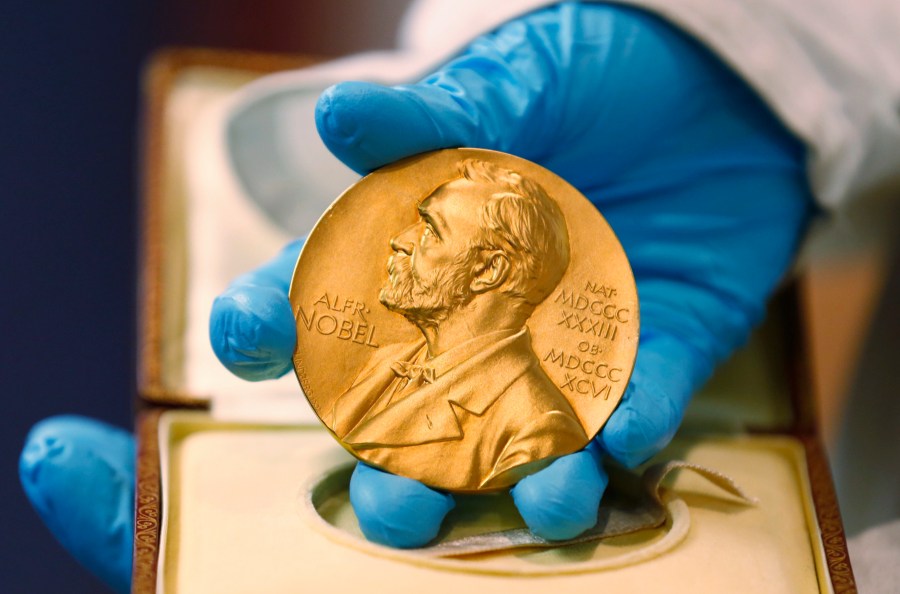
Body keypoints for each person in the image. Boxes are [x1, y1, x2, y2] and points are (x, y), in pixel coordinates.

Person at [18, 1, 900, 592]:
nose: (395, 235)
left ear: (486, 272)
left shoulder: (529, 420)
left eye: (429, 229)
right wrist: (758, 42)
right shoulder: (385, 383)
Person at [330, 158, 586, 490]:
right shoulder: (385, 365)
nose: (400, 240)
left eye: (429, 229)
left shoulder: (537, 429)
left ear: (488, 271)